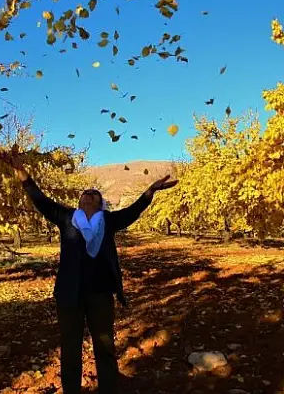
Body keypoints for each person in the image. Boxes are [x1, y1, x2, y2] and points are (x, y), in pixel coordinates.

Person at [11, 160, 177, 394]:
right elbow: (41, 200)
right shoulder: (67, 217)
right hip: (69, 294)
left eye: (93, 194)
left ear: (100, 204)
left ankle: (108, 388)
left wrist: (150, 191)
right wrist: (24, 176)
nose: (88, 195)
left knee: (104, 345)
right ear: (79, 201)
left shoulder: (107, 221)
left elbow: (133, 211)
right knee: (70, 346)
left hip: (100, 293)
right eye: (85, 193)